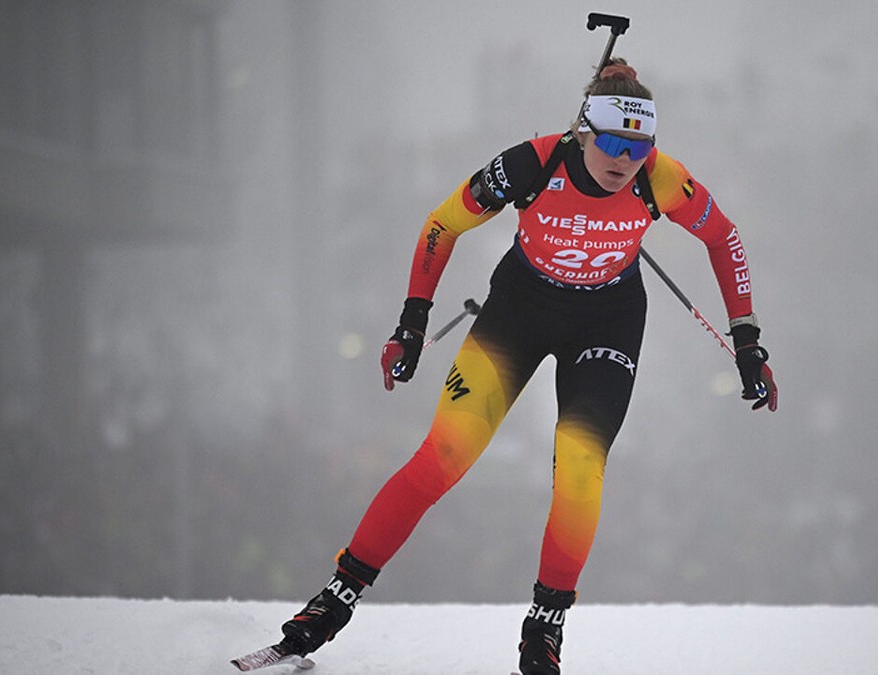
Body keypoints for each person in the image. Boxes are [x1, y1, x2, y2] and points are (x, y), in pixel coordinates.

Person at [277, 58, 777, 675]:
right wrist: (411, 323)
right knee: (443, 458)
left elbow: (724, 239)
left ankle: (544, 625)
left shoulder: (662, 178)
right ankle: (335, 599)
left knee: (580, 466)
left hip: (607, 323)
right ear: (582, 132)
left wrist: (747, 339)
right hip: (520, 311)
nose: (625, 159)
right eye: (613, 143)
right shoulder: (532, 163)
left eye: (639, 145)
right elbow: (442, 224)